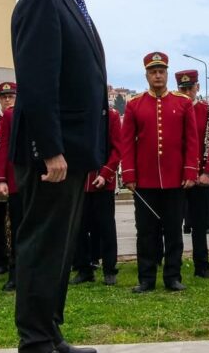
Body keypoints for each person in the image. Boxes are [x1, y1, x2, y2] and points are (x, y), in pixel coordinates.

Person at [11, 0, 108, 353]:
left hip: (72, 151)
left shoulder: (69, 1)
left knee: (60, 249)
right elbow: (37, 83)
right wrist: (50, 149)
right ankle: (35, 342)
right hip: (53, 153)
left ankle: (50, 335)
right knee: (42, 246)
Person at [121, 52, 198, 293]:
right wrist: (130, 175)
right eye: (153, 72)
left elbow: (191, 141)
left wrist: (190, 171)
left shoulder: (183, 103)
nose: (157, 75)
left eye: (161, 71)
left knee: (174, 230)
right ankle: (146, 278)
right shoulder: (135, 104)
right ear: (146, 75)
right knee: (146, 231)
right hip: (145, 180)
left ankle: (172, 276)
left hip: (175, 179)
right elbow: (127, 143)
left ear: (166, 74)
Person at [71, 107, 122, 287]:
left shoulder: (112, 116)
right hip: (80, 181)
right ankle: (84, 269)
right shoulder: (77, 113)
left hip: (102, 180)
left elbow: (117, 149)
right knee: (79, 228)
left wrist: (106, 173)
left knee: (106, 227)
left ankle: (109, 269)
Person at [175, 69, 209, 279]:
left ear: (197, 88)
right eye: (182, 89)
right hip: (177, 177)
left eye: (189, 88)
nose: (186, 93)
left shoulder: (208, 111)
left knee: (200, 224)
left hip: (200, 176)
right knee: (174, 224)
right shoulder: (172, 108)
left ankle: (202, 265)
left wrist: (208, 172)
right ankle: (172, 265)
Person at [0, 81, 18, 277]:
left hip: (14, 175)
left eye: (11, 96)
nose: (7, 100)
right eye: (4, 97)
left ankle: (16, 264)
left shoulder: (16, 116)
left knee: (17, 222)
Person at [0, 100, 21, 292]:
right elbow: (3, 146)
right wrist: (1, 178)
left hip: (43, 180)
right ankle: (15, 274)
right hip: (17, 180)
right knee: (17, 229)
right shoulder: (11, 114)